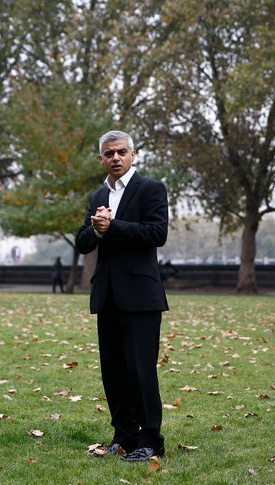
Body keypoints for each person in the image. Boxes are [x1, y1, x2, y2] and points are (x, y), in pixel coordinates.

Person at [75, 130, 169, 462]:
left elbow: (157, 234)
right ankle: (124, 435)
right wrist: (96, 229)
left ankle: (150, 441)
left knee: (141, 370)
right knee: (112, 371)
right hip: (107, 295)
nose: (116, 158)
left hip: (142, 296)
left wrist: (112, 227)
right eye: (109, 153)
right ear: (101, 158)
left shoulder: (151, 189)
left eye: (122, 152)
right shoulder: (99, 194)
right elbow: (83, 241)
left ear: (133, 155)